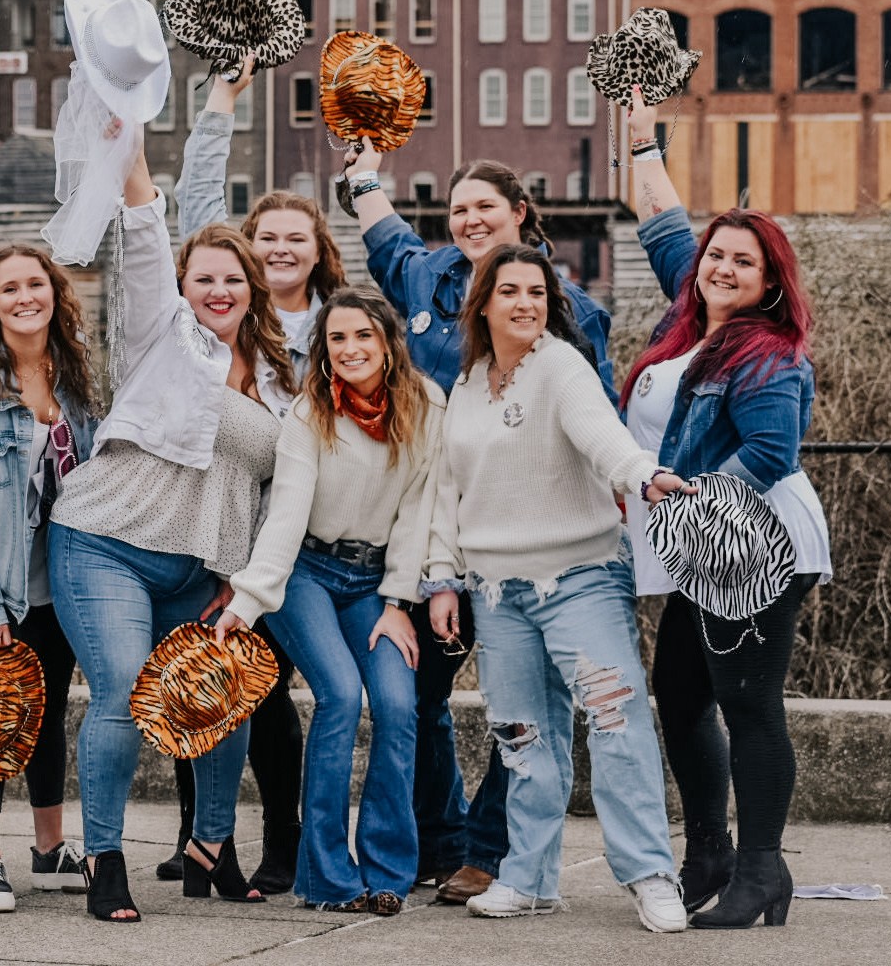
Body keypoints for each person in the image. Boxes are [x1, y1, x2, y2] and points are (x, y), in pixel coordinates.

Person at [343, 140, 615, 903]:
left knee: (518, 704)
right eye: (459, 210)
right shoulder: (425, 277)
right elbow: (387, 234)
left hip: (520, 529)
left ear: (520, 217)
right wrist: (361, 170)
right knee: (421, 694)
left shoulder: (568, 312)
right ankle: (441, 837)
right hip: (432, 522)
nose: (469, 220)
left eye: (485, 209)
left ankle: (490, 850)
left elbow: (600, 420)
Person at [48, 141, 294, 922]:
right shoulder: (161, 337)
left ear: (253, 290)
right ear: (182, 289)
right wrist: (126, 141)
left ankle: (207, 848)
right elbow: (146, 233)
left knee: (222, 698)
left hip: (200, 571)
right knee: (122, 694)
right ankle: (104, 859)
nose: (218, 290)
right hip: (106, 544)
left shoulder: (284, 381)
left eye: (233, 279)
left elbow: (284, 488)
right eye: (204, 279)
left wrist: (241, 577)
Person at [424, 245, 690, 929]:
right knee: (521, 737)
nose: (525, 304)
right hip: (496, 590)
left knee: (615, 720)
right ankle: (531, 878)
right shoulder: (467, 384)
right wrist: (442, 578)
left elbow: (603, 435)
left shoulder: (562, 368)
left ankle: (651, 873)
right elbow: (447, 492)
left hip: (581, 578)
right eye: (509, 291)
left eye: (537, 293)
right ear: (482, 303)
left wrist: (641, 475)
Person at [625, 87, 831, 929]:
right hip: (700, 550)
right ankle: (708, 851)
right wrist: (642, 144)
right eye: (719, 258)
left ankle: (761, 872)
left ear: (768, 281)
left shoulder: (767, 353)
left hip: (751, 547)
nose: (722, 269)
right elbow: (671, 229)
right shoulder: (690, 313)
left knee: (747, 704)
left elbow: (772, 455)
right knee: (678, 692)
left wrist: (689, 503)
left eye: (744, 263)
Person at [161, 60, 348, 892]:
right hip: (208, 524)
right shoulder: (221, 314)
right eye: (263, 237)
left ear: (317, 251)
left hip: (283, 533)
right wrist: (220, 106)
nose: (275, 249)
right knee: (196, 677)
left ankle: (280, 835)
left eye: (292, 238)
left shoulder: (333, 329)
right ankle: (198, 839)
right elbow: (198, 213)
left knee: (266, 694)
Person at [220, 286, 444, 915]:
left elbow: (418, 511)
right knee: (341, 697)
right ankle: (328, 878)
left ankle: (387, 876)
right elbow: (285, 515)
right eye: (337, 338)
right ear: (322, 348)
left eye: (363, 336)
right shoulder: (309, 412)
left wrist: (400, 600)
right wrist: (248, 600)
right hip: (306, 575)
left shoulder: (426, 404)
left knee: (399, 705)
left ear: (388, 342)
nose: (350, 349)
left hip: (375, 583)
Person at [0, 244, 99, 912]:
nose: (25, 297)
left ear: (55, 294)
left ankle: (49, 848)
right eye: (10, 288)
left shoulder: (77, 379)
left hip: (59, 581)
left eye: (36, 284)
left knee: (47, 714)